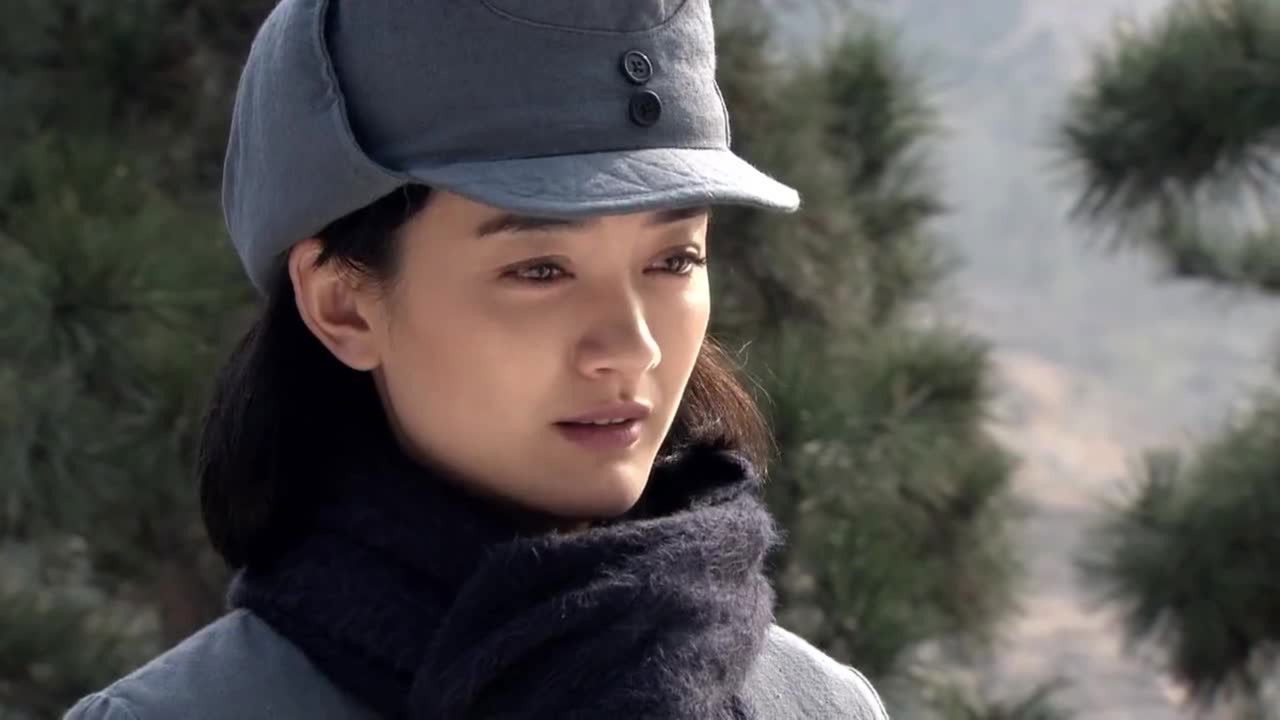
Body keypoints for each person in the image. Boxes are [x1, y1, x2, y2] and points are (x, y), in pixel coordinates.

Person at [65, 1, 890, 718]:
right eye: (540, 270)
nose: (632, 347)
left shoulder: (819, 706)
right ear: (342, 303)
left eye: (674, 260)